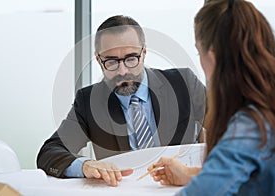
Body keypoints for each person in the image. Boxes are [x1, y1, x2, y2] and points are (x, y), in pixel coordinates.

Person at [37, 15, 206, 187]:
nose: (123, 71)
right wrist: (85, 165)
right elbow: (49, 152)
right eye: (111, 61)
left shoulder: (183, 83)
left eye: (131, 58)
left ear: (144, 54)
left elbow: (231, 132)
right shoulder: (88, 101)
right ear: (98, 60)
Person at [148, 0, 275, 195]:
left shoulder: (251, 126)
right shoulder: (268, 105)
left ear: (212, 57)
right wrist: (190, 174)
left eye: (198, 51)